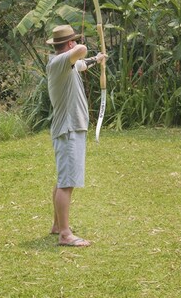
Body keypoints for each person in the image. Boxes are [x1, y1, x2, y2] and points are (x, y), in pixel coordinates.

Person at [45, 24, 106, 247]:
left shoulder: (65, 64)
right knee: (66, 183)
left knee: (63, 179)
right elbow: (80, 53)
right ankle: (65, 234)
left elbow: (81, 63)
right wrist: (81, 47)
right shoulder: (58, 62)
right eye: (73, 41)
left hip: (70, 128)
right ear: (69, 44)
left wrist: (97, 59)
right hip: (68, 129)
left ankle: (56, 225)